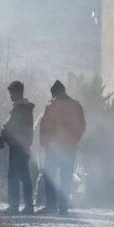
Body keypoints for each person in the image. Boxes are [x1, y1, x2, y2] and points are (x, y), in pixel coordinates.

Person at [37, 80, 86, 215]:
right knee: (67, 178)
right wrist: (74, 140)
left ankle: (51, 206)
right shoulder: (76, 106)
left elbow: (45, 126)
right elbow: (81, 126)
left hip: (53, 148)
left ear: (54, 93)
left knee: (50, 177)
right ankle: (64, 207)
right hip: (70, 148)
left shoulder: (51, 106)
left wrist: (44, 143)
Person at [2, 81, 35, 215]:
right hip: (25, 146)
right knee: (25, 176)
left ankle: (14, 206)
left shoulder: (19, 108)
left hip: (17, 146)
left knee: (13, 177)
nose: (10, 96)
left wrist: (3, 130)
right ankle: (28, 206)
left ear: (17, 92)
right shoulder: (26, 108)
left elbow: (10, 126)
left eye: (11, 93)